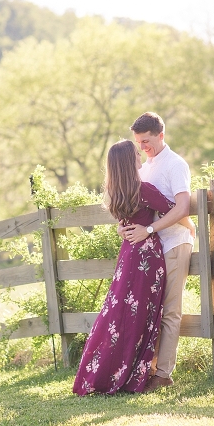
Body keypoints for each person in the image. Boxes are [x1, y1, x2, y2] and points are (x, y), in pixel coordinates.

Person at [73, 140, 195, 396]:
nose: (140, 157)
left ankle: (108, 370)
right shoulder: (143, 190)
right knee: (144, 315)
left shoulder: (114, 193)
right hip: (146, 257)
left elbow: (123, 223)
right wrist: (191, 227)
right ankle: (137, 371)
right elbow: (175, 210)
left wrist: (123, 228)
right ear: (129, 162)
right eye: (136, 154)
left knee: (117, 312)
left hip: (127, 256)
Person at [120, 112, 194, 392]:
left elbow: (182, 208)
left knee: (170, 311)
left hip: (174, 243)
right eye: (139, 142)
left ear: (161, 135)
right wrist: (123, 227)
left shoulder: (175, 165)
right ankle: (146, 370)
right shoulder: (144, 168)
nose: (142, 147)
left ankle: (163, 374)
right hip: (150, 252)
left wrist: (149, 230)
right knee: (150, 311)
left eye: (147, 141)